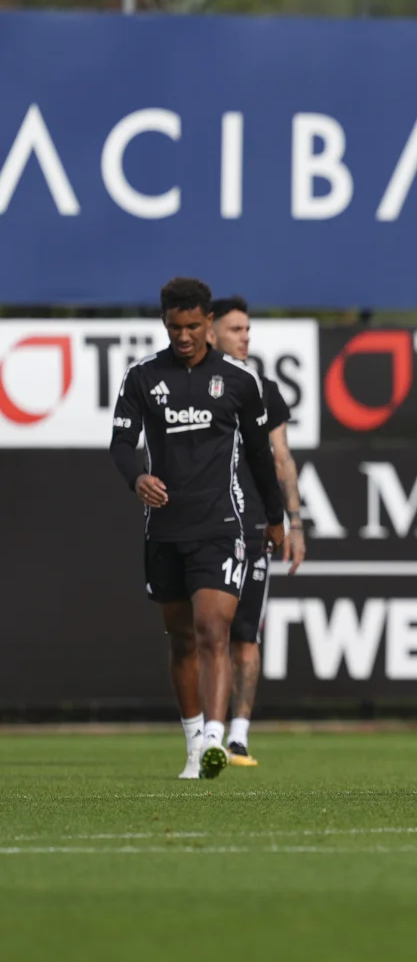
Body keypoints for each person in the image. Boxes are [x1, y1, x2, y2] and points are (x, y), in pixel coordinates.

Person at [110, 277, 285, 779]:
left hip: (221, 524)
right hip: (165, 528)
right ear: (164, 324)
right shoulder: (142, 378)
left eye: (192, 326)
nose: (183, 336)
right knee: (181, 637)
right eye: (174, 327)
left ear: (208, 322)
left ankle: (214, 736)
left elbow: (260, 456)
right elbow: (121, 445)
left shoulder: (238, 380)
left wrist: (275, 518)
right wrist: (137, 476)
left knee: (214, 628)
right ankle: (193, 745)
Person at [210, 296, 307, 766]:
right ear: (211, 332)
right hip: (206, 525)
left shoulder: (263, 389)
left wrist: (295, 522)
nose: (245, 336)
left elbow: (282, 457)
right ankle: (204, 731)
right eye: (235, 329)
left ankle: (239, 735)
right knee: (208, 631)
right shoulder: (188, 387)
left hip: (252, 527)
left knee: (246, 633)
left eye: (248, 328)